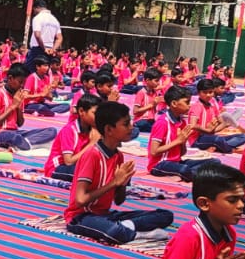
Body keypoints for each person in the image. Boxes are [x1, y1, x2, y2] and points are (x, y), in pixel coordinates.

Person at [66, 102, 174, 244]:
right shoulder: (92, 155)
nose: (131, 128)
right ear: (109, 129)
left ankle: (127, 228)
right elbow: (80, 200)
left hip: (106, 215)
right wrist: (114, 183)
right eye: (126, 124)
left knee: (165, 215)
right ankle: (137, 234)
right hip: (81, 216)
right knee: (113, 232)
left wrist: (122, 184)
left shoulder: (118, 156)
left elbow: (118, 201)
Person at [147, 87, 218, 181]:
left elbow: (182, 153)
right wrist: (178, 141)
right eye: (187, 102)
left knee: (214, 162)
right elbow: (153, 152)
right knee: (184, 169)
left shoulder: (182, 123)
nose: (189, 106)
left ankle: (192, 175)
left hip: (176, 162)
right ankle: (201, 176)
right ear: (174, 103)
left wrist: (183, 142)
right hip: (159, 164)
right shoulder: (162, 122)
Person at [0, 64, 57, 150]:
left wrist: (19, 108)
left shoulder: (18, 96)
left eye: (23, 83)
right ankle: (26, 143)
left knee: (51, 131)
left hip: (16, 132)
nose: (22, 86)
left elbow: (20, 123)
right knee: (14, 137)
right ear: (10, 78)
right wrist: (13, 107)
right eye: (20, 82)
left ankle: (24, 143)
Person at [46, 93, 101, 180]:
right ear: (81, 111)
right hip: (58, 167)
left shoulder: (93, 129)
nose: (98, 117)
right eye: (95, 113)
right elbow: (68, 161)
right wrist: (92, 143)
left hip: (78, 165)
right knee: (92, 173)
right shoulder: (69, 130)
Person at [27, 0, 61, 68]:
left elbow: (37, 35)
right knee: (44, 73)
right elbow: (59, 38)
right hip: (50, 51)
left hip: (38, 49)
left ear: (37, 7)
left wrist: (44, 48)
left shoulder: (38, 18)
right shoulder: (55, 20)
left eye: (34, 10)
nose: (34, 12)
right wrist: (53, 49)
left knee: (29, 70)